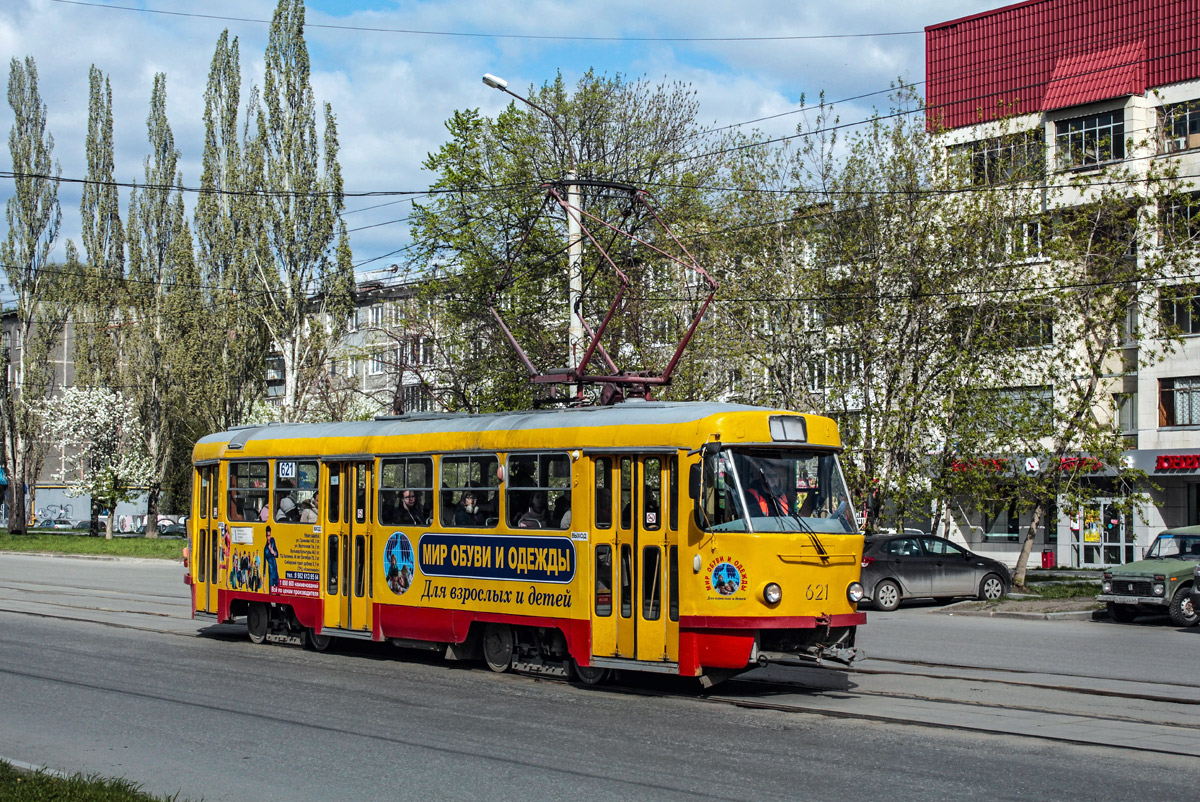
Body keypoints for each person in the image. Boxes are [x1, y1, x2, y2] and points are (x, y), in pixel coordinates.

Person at [263, 526, 280, 591]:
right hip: (271, 574)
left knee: (279, 591)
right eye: (267, 536)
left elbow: (277, 554)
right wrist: (264, 585)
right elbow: (264, 565)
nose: (268, 538)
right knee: (271, 593)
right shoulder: (265, 549)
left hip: (276, 571)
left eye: (269, 535)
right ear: (266, 536)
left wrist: (273, 552)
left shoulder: (273, 541)